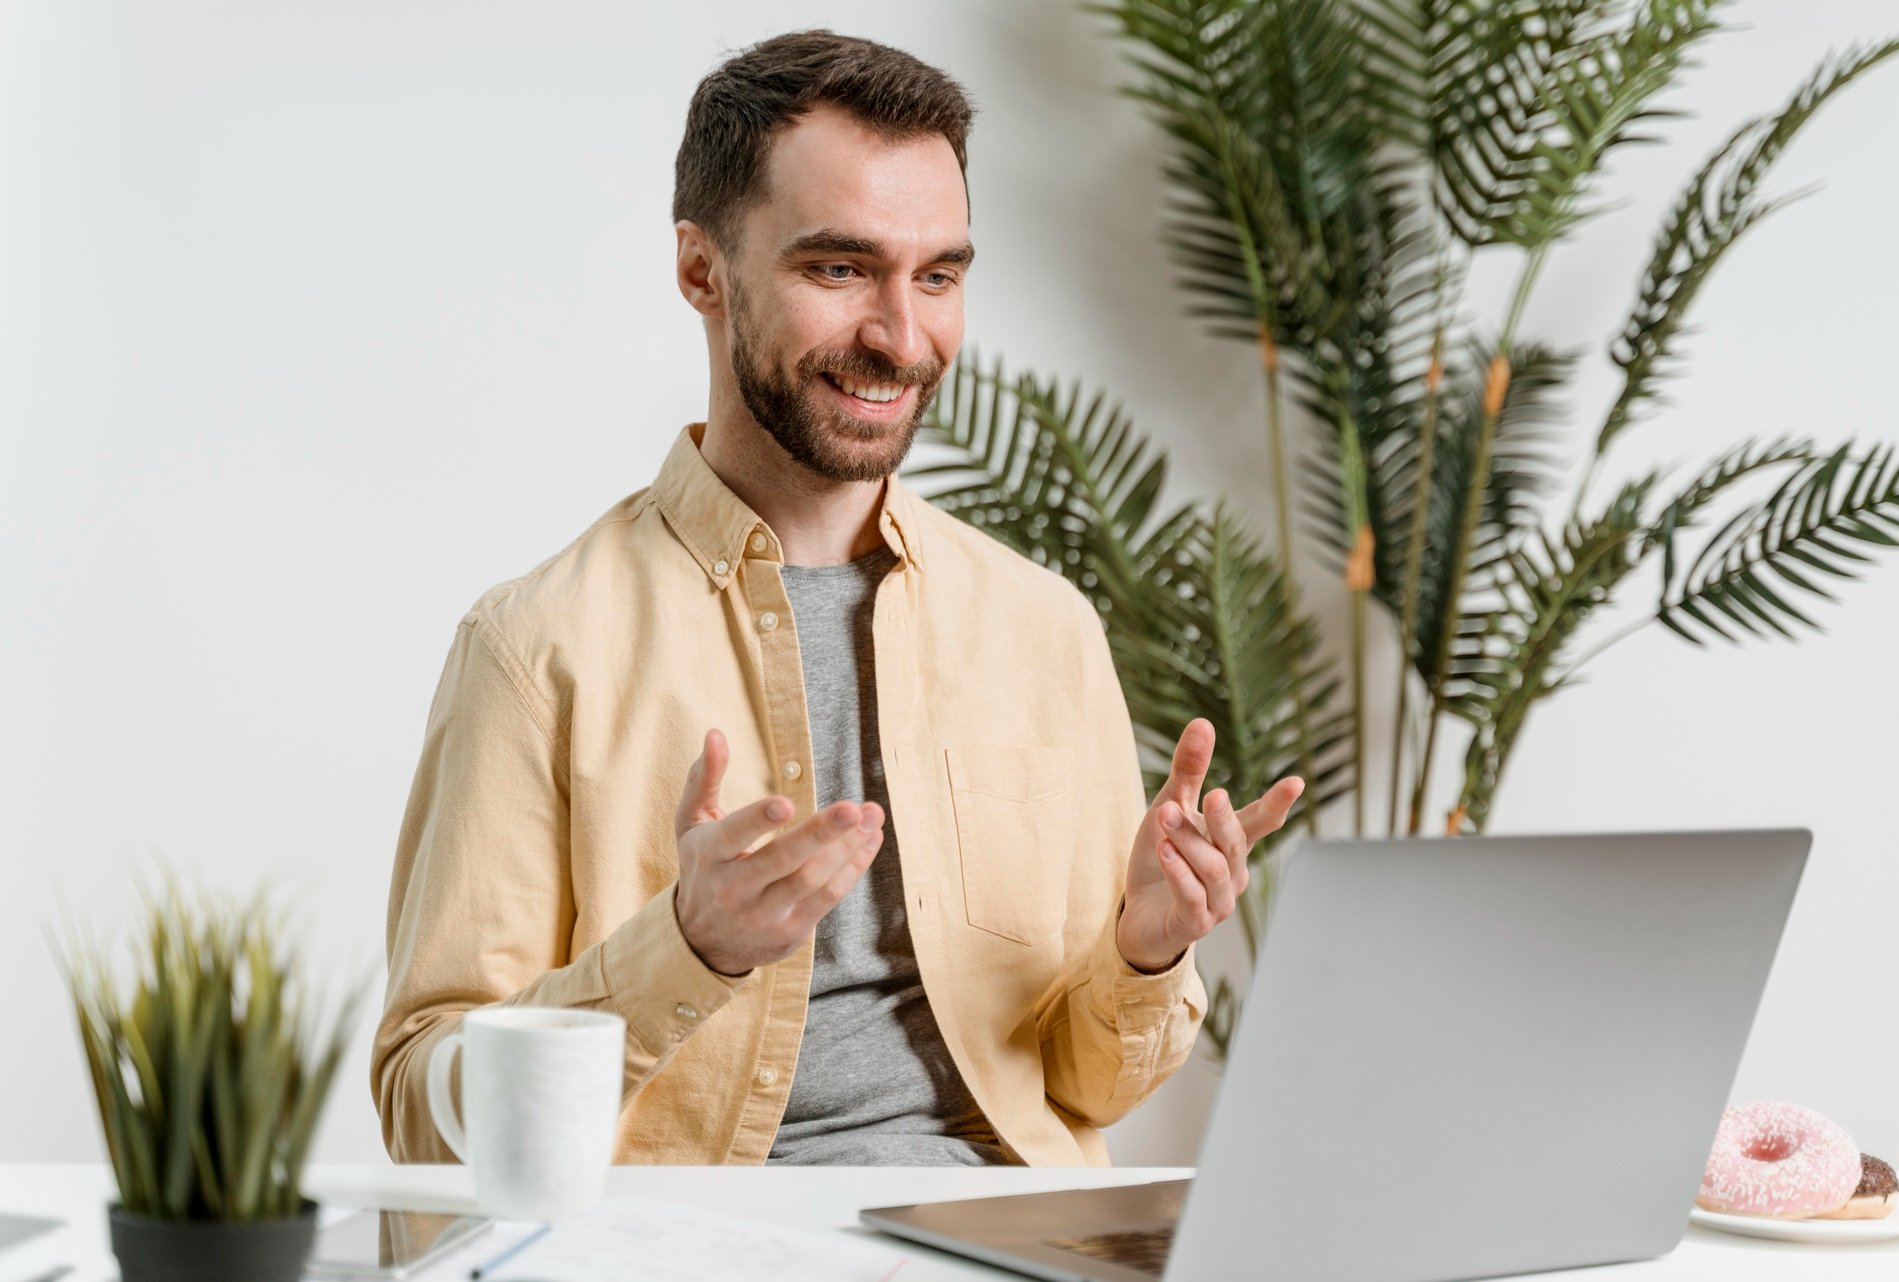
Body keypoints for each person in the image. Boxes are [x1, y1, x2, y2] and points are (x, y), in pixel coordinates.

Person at [370, 27, 1304, 1167]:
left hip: (1010, 1236)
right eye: (838, 268)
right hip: (706, 1248)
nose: (902, 338)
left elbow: (1087, 1090)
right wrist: (687, 948)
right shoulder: (536, 648)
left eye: (939, 276)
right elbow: (426, 1107)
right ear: (701, 269)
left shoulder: (1040, 628)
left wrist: (1148, 949)